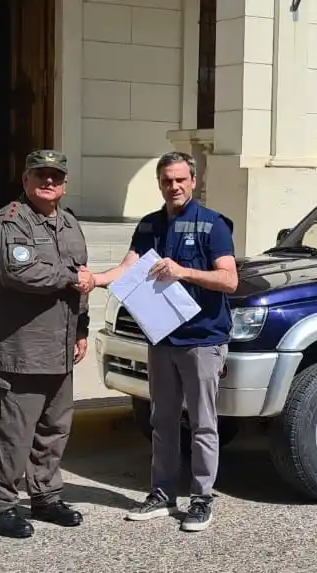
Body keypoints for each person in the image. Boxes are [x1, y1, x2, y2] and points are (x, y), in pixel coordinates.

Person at [90, 151, 238, 532]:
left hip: (202, 340)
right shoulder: (150, 225)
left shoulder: (213, 225)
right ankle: (162, 493)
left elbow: (229, 280)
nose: (173, 186)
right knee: (163, 420)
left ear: (193, 181)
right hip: (162, 339)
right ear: (159, 183)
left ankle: (202, 499)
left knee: (204, 423)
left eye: (180, 180)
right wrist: (96, 279)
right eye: (166, 180)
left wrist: (183, 272)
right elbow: (128, 267)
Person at [0, 149, 95, 539]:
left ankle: (45, 496)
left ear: (65, 183)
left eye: (56, 176)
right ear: (25, 180)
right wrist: (71, 278)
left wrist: (81, 328)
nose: (48, 182)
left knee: (52, 429)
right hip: (16, 351)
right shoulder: (10, 223)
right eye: (40, 175)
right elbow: (20, 272)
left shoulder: (71, 224)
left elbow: (84, 281)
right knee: (9, 433)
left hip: (58, 348)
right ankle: (1, 506)